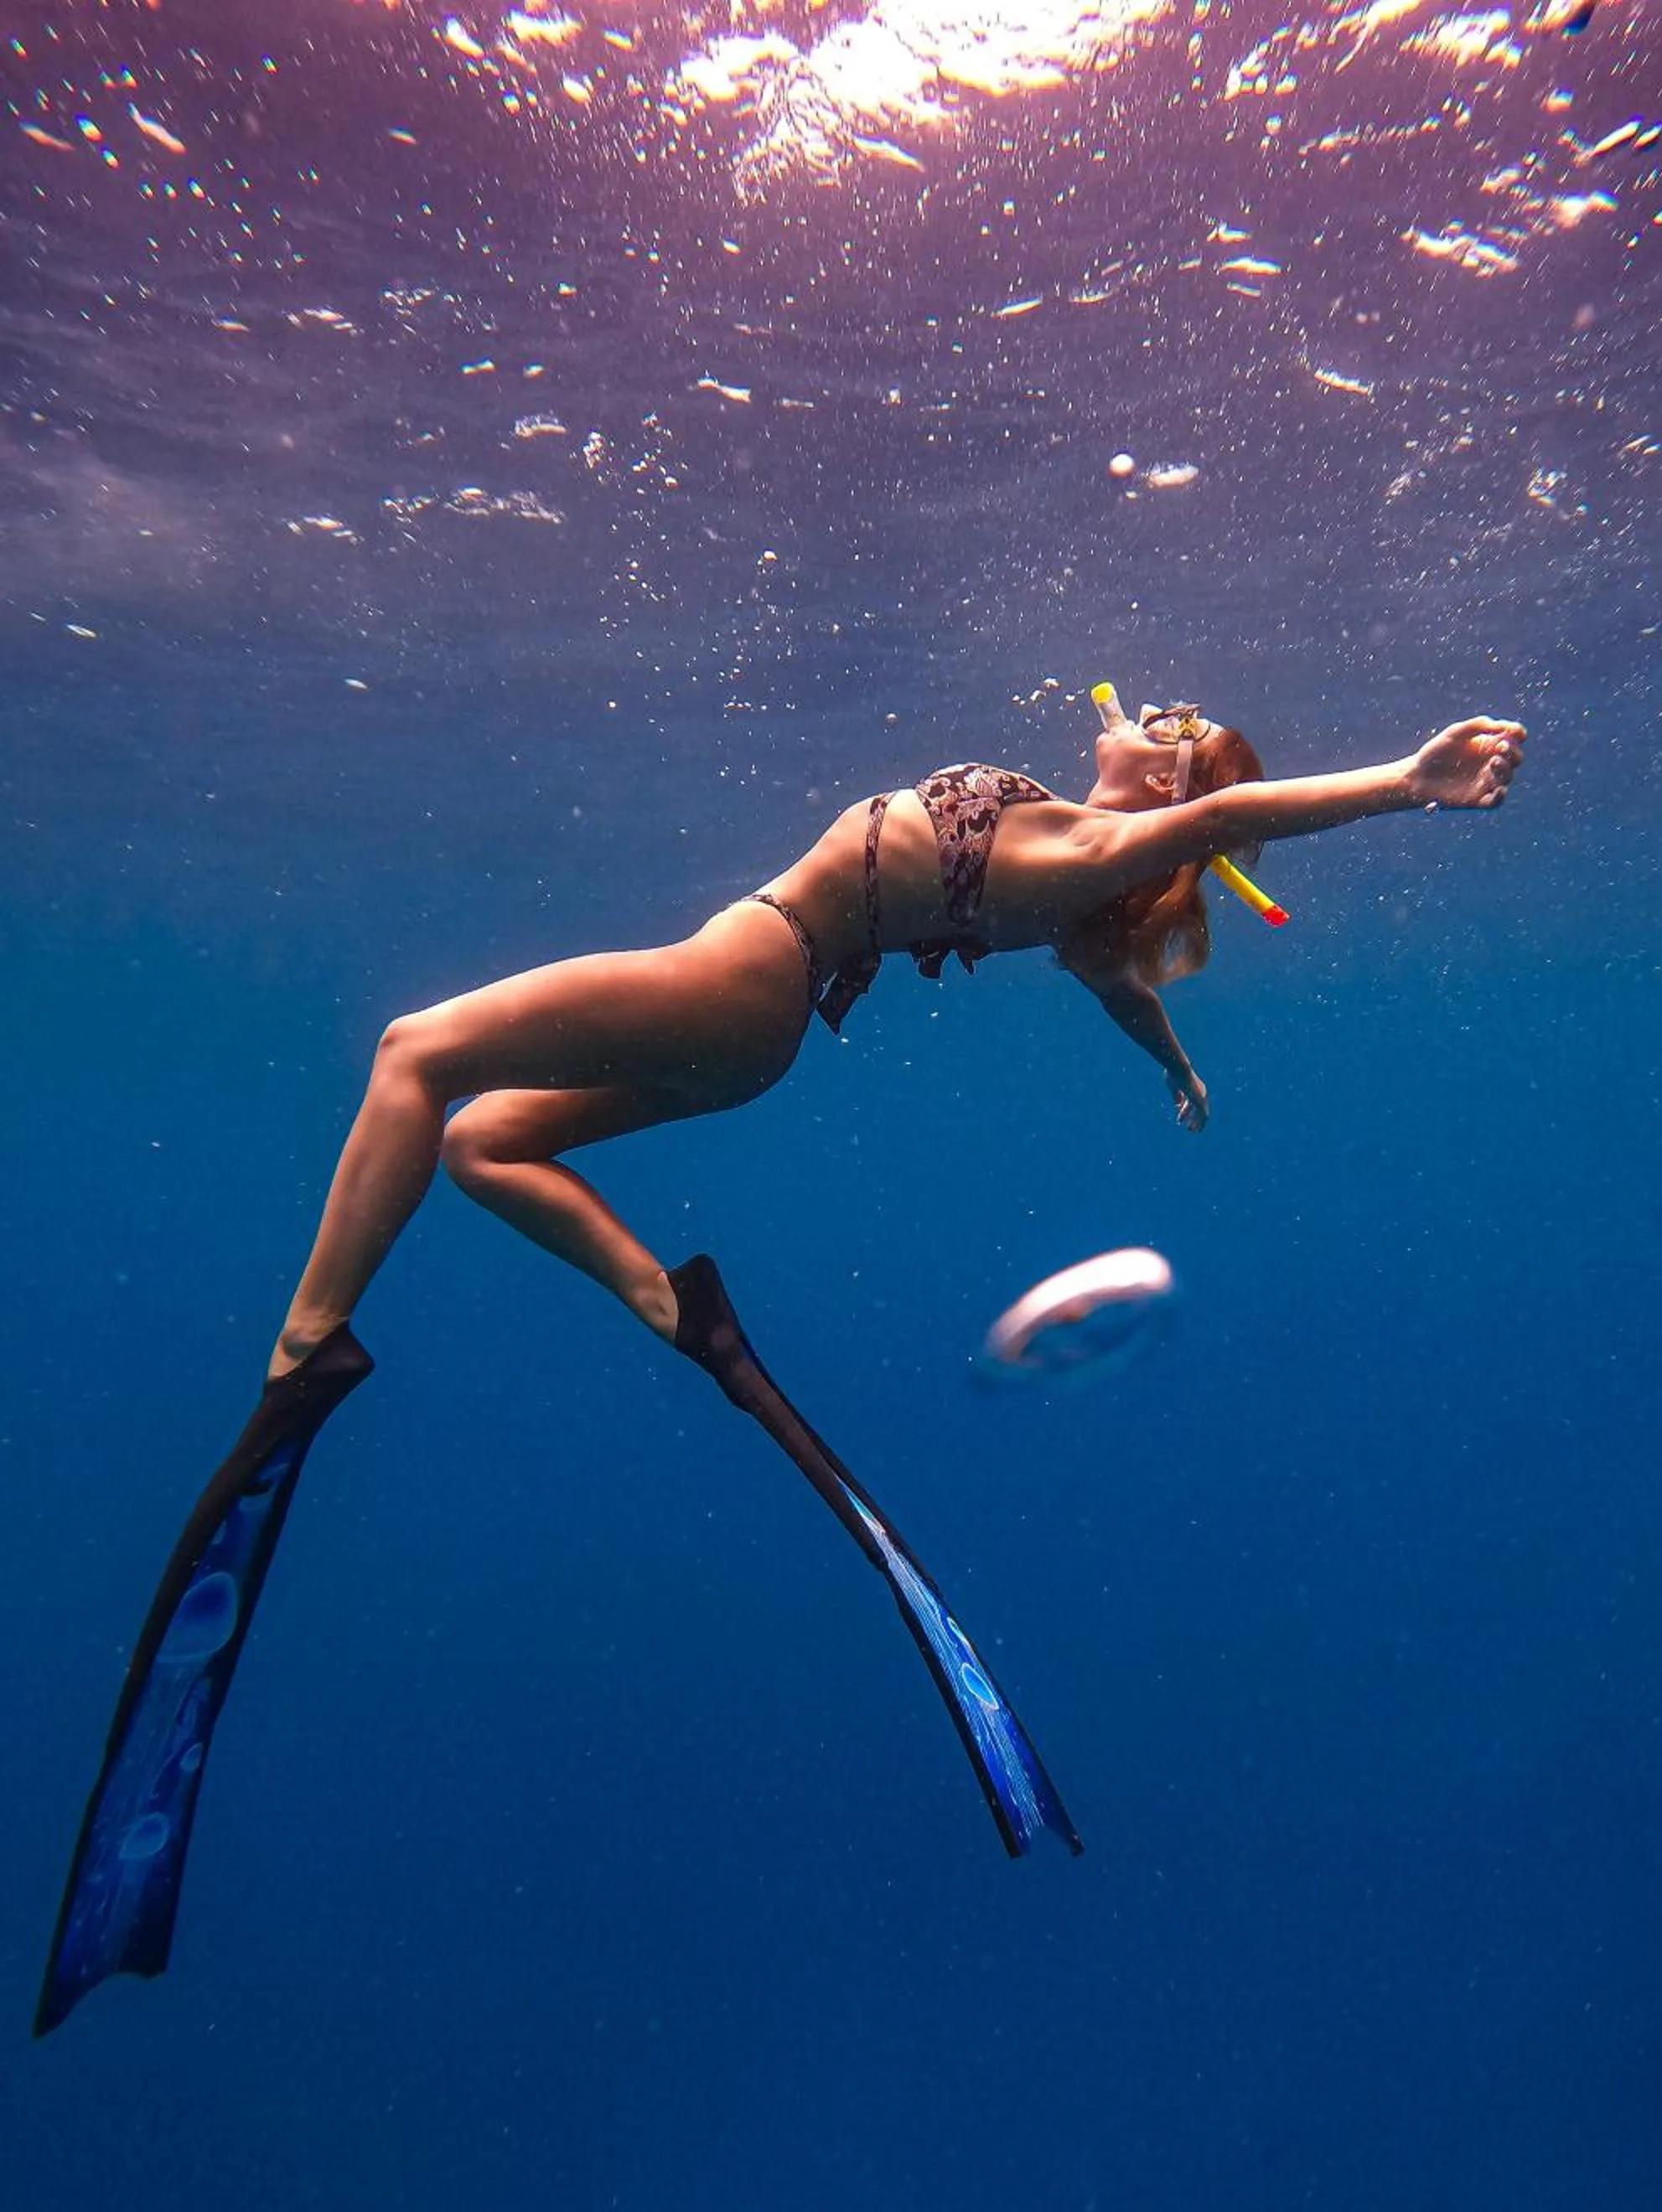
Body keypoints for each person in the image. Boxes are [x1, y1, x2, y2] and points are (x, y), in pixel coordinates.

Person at [36, 703, 1525, 2034]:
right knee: (485, 1143)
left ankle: (308, 1350)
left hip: (748, 981)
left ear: (1172, 780)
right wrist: (1175, 1066)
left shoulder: (1099, 849)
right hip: (743, 995)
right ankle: (674, 1310)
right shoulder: (1074, 857)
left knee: (414, 1050)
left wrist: (1404, 780)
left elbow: (1221, 825)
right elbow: (1115, 978)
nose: (1159, 714)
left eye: (1183, 730)